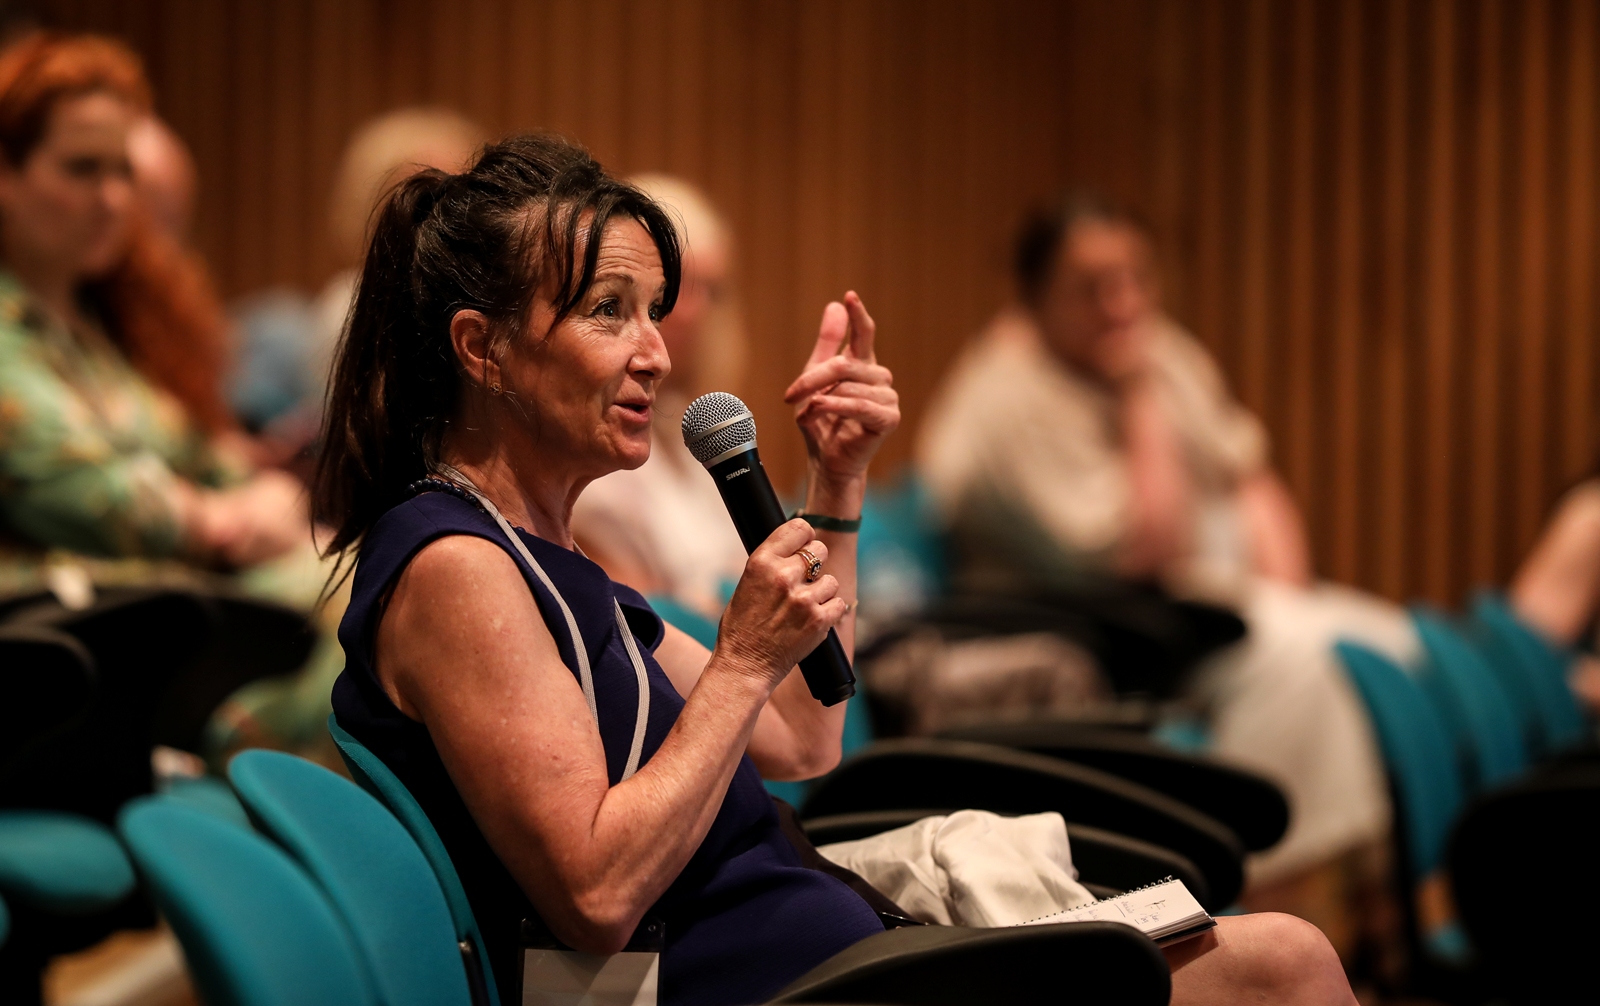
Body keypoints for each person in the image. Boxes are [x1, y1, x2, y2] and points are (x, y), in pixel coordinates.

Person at [320, 134, 1357, 1006]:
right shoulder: (457, 568)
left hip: (837, 945)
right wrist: (738, 659)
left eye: (653, 312)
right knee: (1283, 967)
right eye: (607, 311)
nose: (655, 354)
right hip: (777, 987)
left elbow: (808, 733)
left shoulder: (547, 559)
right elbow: (594, 894)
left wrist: (836, 482)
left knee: (1273, 956)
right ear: (482, 348)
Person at [918, 192, 1418, 895]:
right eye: (1093, 288)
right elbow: (1143, 552)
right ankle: (1254, 890)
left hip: (1188, 601)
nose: (1124, 304)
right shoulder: (1007, 399)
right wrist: (1139, 398)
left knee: (1390, 640)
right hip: (1092, 632)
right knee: (1302, 655)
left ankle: (1373, 894)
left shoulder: (1156, 349)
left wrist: (1287, 589)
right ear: (1034, 299)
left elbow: (1249, 475)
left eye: (1137, 279)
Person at [0, 32, 305, 591]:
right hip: (76, 634)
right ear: (7, 177)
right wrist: (225, 519)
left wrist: (268, 496)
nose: (114, 198)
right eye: (82, 168)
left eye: (122, 171)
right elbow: (76, 489)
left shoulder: (105, 322)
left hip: (177, 606)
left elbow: (201, 455)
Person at [572, 174, 748, 621]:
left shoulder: (702, 429)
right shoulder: (594, 445)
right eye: (680, 286)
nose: (700, 310)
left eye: (713, 289)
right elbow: (643, 621)